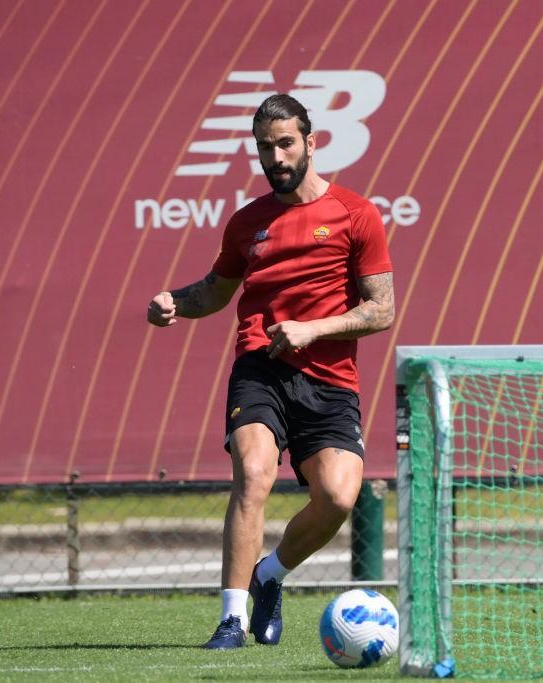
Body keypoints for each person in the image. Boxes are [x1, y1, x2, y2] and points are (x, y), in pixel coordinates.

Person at [147, 94, 394, 647]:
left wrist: (312, 329)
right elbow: (214, 292)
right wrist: (173, 303)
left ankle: (269, 576)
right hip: (260, 366)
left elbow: (382, 310)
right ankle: (232, 619)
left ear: (310, 143)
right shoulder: (246, 223)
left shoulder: (357, 214)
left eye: (285, 143)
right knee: (254, 471)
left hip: (330, 379)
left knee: (336, 498)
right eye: (265, 147)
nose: (275, 156)